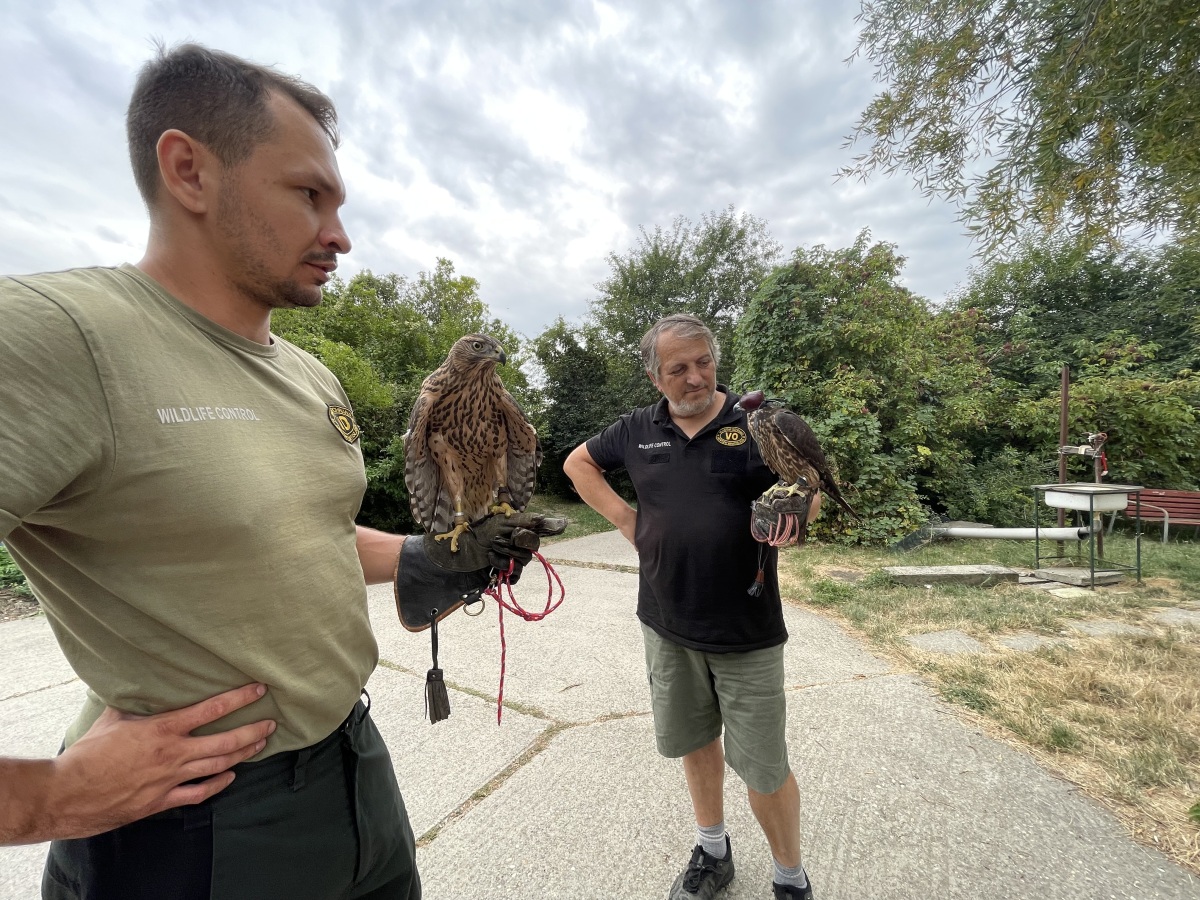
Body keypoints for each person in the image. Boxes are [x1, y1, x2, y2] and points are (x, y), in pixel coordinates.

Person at [0, 43, 545, 899]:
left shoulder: (307, 376)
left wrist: (420, 557)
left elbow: (298, 531)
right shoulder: (55, 336)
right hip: (199, 827)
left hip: (356, 768)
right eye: (308, 195)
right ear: (188, 171)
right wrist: (41, 799)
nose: (341, 235)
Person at [563, 314, 821, 900]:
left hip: (746, 625)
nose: (695, 377)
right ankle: (712, 849)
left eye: (704, 362)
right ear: (656, 377)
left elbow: (807, 493)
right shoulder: (636, 428)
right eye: (678, 368)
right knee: (695, 741)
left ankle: (789, 877)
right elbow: (577, 463)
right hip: (666, 620)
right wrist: (626, 520)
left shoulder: (755, 424)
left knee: (764, 765)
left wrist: (799, 515)